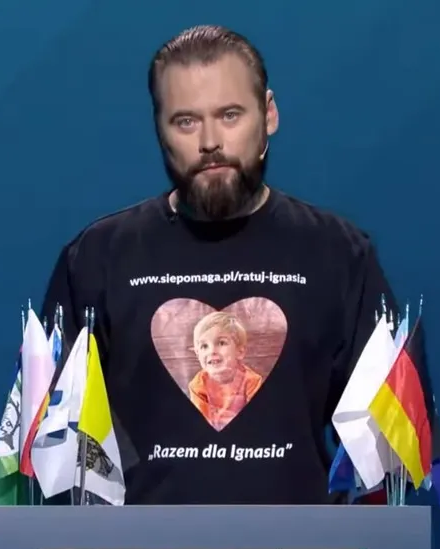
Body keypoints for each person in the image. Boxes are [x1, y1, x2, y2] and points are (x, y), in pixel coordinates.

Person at [40, 25, 398, 504]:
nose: (210, 141)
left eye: (230, 115)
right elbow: (56, 449)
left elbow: (386, 451)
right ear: (159, 128)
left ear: (268, 114)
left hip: (302, 548)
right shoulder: (98, 257)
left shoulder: (338, 253)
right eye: (186, 121)